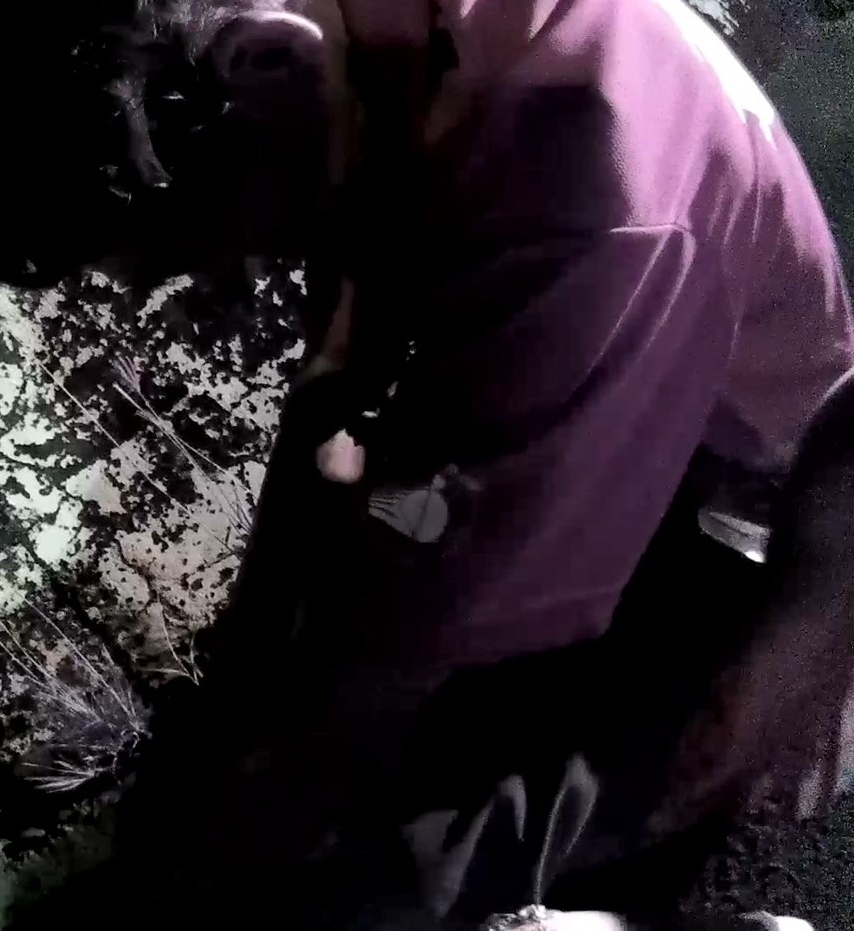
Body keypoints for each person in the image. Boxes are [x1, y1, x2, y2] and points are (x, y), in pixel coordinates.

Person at [61, 0, 853, 926]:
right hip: (601, 454)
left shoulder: (581, 171)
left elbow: (443, 626)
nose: (218, 278)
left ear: (260, 62)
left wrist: (268, 800)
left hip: (741, 560)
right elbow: (334, 400)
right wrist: (237, 698)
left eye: (193, 244)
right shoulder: (384, 55)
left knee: (377, 889)